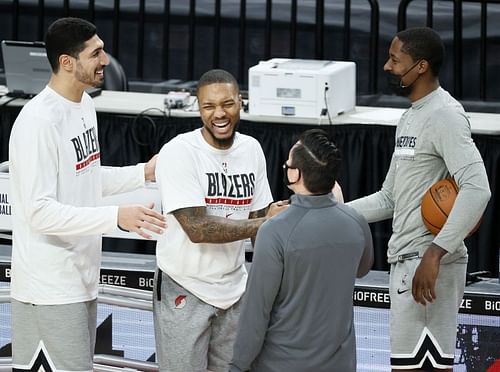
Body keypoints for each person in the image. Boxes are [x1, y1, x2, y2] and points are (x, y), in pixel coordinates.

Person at [8, 17, 166, 371]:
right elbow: (39, 212)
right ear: (67, 62)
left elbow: (87, 177)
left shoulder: (85, 106)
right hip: (48, 289)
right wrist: (116, 217)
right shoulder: (37, 123)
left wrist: (143, 172)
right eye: (96, 53)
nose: (106, 61)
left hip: (80, 279)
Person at [347, 27, 491, 371]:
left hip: (426, 270)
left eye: (395, 60)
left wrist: (436, 251)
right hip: (408, 264)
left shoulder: (445, 115)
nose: (386, 66)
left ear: (421, 66)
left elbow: (478, 188)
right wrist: (331, 212)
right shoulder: (411, 116)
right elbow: (389, 198)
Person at [154, 69, 285, 371]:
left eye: (227, 104)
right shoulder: (179, 152)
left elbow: (259, 219)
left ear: (241, 102)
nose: (219, 114)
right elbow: (197, 229)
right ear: (198, 108)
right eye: (208, 106)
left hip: (235, 290)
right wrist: (266, 223)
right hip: (185, 286)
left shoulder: (251, 149)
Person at [229, 129, 373, 372]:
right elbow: (362, 269)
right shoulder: (356, 221)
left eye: (288, 164)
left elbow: (256, 313)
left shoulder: (274, 231)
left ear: (295, 174)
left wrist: (237, 366)